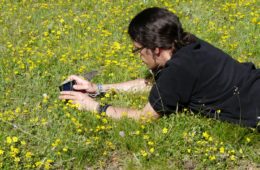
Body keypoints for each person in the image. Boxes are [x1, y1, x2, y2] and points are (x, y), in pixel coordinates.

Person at [59, 7, 260, 128]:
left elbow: (144, 117)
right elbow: (155, 85)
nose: (138, 57)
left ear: (155, 50)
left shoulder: (178, 72)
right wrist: (98, 88)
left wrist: (93, 106)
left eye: (138, 50)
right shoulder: (189, 44)